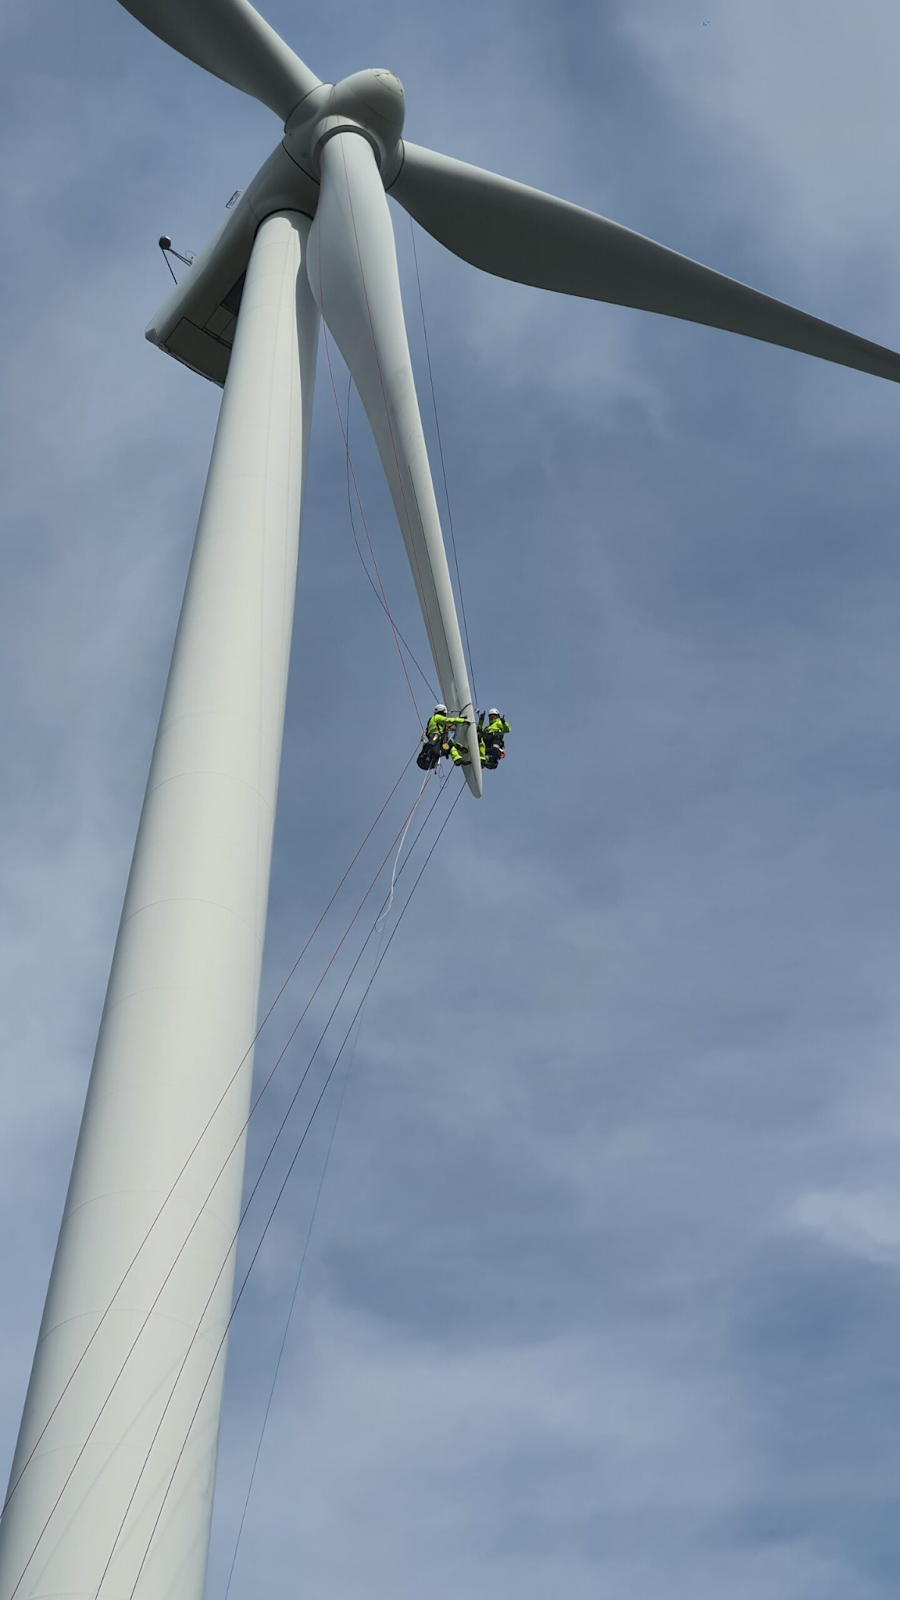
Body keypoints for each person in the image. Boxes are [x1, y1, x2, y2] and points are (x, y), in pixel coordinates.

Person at [417, 704, 467, 770]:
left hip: (434, 742)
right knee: (450, 745)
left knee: (450, 746)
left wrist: (450, 727)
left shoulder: (431, 720)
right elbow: (448, 720)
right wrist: (462, 720)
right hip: (438, 739)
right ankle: (458, 756)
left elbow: (442, 725)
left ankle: (458, 757)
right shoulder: (437, 717)